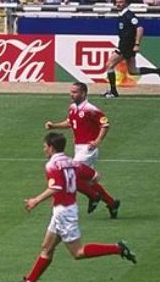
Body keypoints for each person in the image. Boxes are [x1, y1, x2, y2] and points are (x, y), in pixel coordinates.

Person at [12, 133, 136, 282]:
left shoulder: (52, 165)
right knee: (46, 248)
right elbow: (95, 176)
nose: (44, 150)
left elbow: (55, 187)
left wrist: (35, 200)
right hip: (64, 210)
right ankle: (30, 281)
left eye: (45, 147)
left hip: (64, 212)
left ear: (51, 147)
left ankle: (117, 248)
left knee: (77, 252)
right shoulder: (72, 162)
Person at [43, 82, 122, 218]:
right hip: (78, 148)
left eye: (75, 92)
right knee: (87, 181)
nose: (72, 94)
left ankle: (93, 196)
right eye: (71, 91)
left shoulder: (91, 109)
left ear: (84, 93)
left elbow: (105, 124)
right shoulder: (72, 107)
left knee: (70, 175)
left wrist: (97, 141)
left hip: (88, 149)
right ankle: (111, 203)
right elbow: (70, 122)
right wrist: (54, 125)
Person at [100, 0, 160, 98]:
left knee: (109, 65)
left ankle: (113, 92)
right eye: (117, 2)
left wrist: (137, 44)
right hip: (125, 45)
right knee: (133, 71)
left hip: (126, 46)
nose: (118, 4)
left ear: (126, 3)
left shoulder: (129, 15)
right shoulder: (122, 15)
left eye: (121, 2)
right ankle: (159, 71)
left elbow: (140, 28)